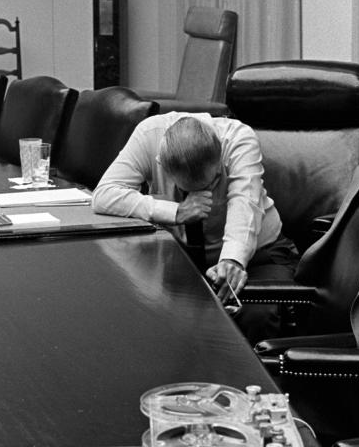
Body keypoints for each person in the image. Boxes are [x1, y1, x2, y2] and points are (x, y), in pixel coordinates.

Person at [92, 113, 298, 343]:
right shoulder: (149, 135)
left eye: (213, 183)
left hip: (261, 254)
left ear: (220, 157)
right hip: (184, 256)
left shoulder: (238, 138)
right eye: (189, 190)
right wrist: (177, 210)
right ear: (162, 164)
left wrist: (232, 260)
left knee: (255, 314)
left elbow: (245, 202)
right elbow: (104, 195)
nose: (206, 193)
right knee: (141, 307)